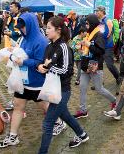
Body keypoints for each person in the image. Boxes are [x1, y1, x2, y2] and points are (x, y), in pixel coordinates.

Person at [0, 13, 50, 148]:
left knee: (44, 106)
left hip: (36, 81)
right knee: (18, 106)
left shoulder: (41, 41)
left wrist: (23, 61)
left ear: (31, 25)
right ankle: (13, 136)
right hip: (23, 81)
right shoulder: (23, 39)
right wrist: (13, 51)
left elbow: (41, 62)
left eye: (23, 27)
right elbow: (22, 51)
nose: (21, 30)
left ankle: (59, 122)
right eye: (20, 28)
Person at [37, 17, 89, 153]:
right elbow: (45, 64)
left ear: (58, 30)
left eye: (49, 28)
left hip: (63, 91)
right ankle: (82, 135)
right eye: (46, 27)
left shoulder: (64, 47)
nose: (46, 30)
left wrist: (48, 67)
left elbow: (67, 70)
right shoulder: (48, 47)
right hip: (52, 89)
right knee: (65, 114)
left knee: (48, 123)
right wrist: (41, 67)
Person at [73, 14, 116, 119]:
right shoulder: (88, 34)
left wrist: (88, 45)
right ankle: (83, 111)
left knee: (99, 89)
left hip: (95, 66)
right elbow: (87, 49)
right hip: (85, 66)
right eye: (85, 23)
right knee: (82, 88)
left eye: (87, 23)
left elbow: (100, 51)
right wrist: (82, 46)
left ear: (92, 23)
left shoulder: (98, 35)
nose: (86, 25)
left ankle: (115, 101)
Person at [95, 6, 120, 85]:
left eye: (97, 11)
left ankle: (118, 77)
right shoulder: (100, 21)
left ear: (102, 11)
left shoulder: (107, 21)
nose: (96, 13)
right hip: (101, 46)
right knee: (99, 64)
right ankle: (99, 82)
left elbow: (107, 34)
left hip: (107, 47)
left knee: (109, 65)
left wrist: (98, 35)